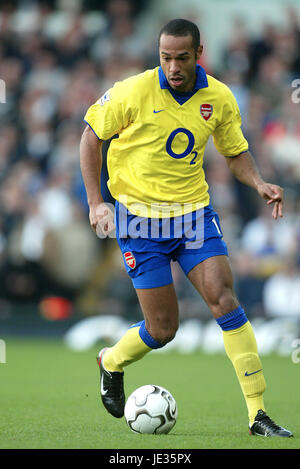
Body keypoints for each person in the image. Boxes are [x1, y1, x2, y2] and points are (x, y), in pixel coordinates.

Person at [80, 19, 293, 437]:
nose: (173, 67)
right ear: (158, 56)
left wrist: (259, 182)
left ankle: (257, 414)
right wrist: (95, 202)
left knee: (224, 300)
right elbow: (91, 137)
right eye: (165, 58)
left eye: (181, 57)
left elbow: (235, 152)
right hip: (139, 221)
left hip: (192, 215)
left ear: (199, 53)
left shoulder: (219, 97)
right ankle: (112, 361)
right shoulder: (133, 91)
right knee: (163, 329)